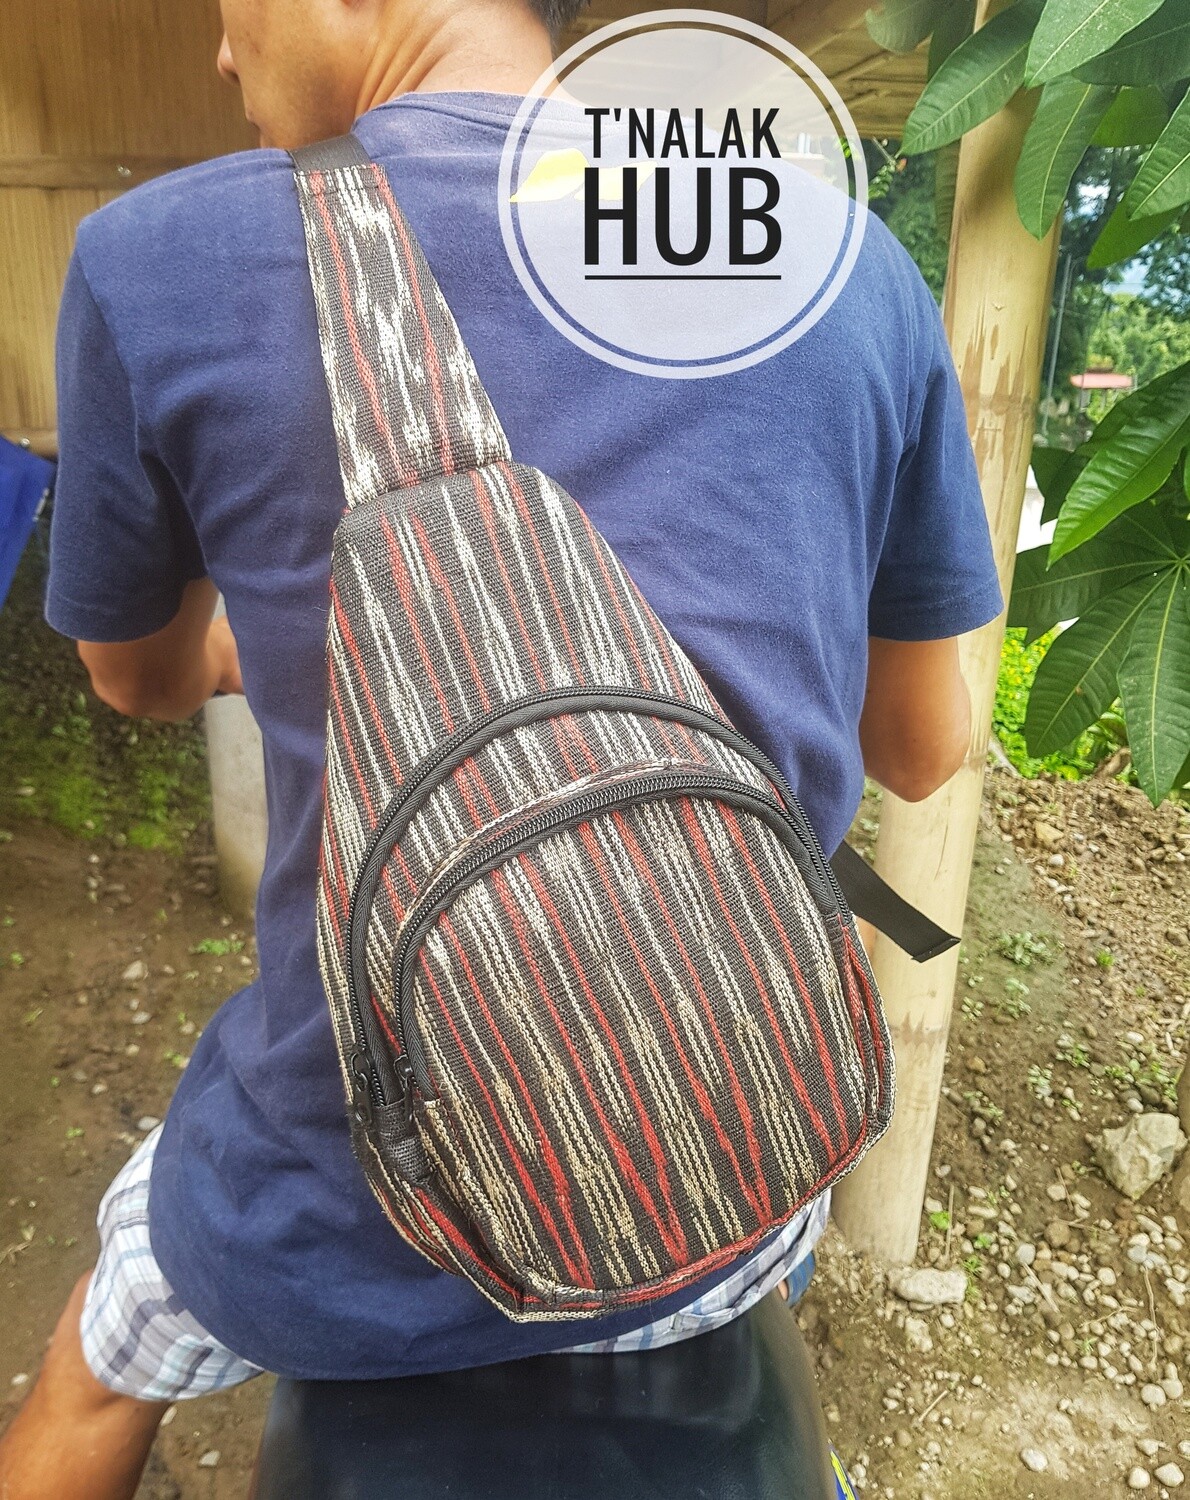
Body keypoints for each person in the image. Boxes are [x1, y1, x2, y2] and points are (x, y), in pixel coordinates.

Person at [0, 0, 1003, 1494]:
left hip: (337, 1205)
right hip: (731, 1140)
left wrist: (270, 644)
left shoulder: (157, 258)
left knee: (92, 1367)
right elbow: (922, 750)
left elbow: (136, 677)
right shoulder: (847, 267)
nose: (220, 55)